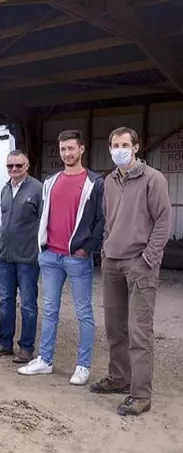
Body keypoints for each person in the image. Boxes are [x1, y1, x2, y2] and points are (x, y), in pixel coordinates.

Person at [90, 127, 171, 416]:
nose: (119, 149)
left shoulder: (153, 179)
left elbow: (163, 222)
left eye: (125, 144)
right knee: (114, 327)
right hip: (112, 261)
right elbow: (109, 219)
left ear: (136, 147)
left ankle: (140, 395)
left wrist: (149, 257)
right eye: (114, 145)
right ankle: (119, 378)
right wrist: (105, 249)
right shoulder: (109, 181)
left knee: (139, 331)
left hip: (139, 264)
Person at [18, 130, 104, 385]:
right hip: (51, 256)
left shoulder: (94, 183)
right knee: (50, 309)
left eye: (71, 148)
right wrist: (42, 246)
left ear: (82, 149)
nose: (67, 153)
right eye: (63, 149)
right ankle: (44, 359)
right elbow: (44, 215)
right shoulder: (50, 181)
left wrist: (86, 248)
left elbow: (101, 220)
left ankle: (83, 365)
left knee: (83, 312)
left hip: (77, 257)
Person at [0, 150, 42, 364]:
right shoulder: (5, 189)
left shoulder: (37, 190)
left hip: (27, 257)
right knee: (5, 301)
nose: (14, 169)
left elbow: (45, 222)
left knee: (28, 303)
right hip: (4, 256)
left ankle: (26, 348)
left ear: (27, 166)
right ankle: (4, 343)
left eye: (19, 165)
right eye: (10, 166)